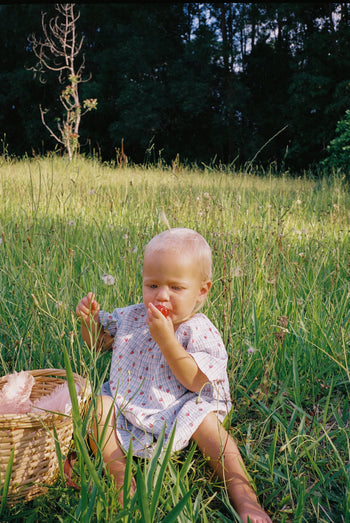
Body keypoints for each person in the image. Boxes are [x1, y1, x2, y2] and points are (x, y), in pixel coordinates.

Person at [76, 228, 272, 523]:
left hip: (182, 407)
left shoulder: (199, 329)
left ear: (201, 291)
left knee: (212, 430)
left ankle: (245, 497)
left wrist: (167, 340)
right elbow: (98, 345)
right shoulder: (131, 316)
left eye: (176, 288)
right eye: (152, 285)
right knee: (99, 408)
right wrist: (89, 323)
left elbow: (194, 380)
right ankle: (120, 476)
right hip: (127, 403)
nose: (161, 295)